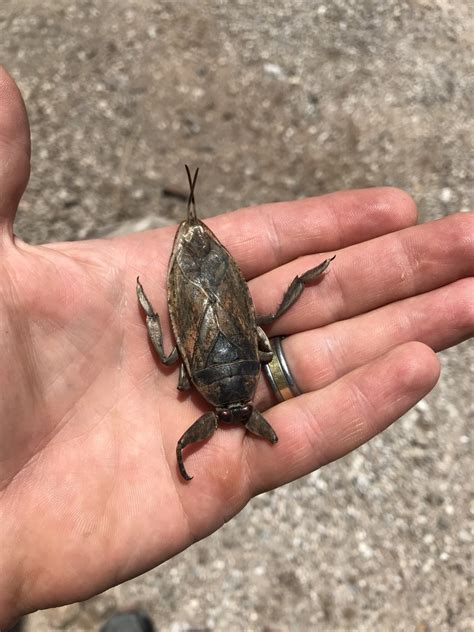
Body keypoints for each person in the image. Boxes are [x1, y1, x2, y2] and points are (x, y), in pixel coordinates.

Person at [0, 65, 472, 630]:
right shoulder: (247, 373)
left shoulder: (203, 378)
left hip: (193, 288)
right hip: (210, 283)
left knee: (254, 321)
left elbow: (181, 351)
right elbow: (261, 325)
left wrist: (155, 314)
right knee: (270, 315)